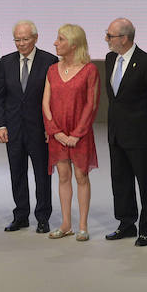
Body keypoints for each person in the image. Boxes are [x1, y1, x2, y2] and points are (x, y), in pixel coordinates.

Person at [0, 20, 57, 233]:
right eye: (17, 40)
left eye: (25, 39)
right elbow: (0, 97)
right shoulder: (6, 62)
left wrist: (51, 128)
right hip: (13, 129)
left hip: (39, 130)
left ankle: (42, 217)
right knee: (17, 173)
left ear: (36, 38)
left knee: (42, 174)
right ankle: (20, 215)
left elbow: (54, 100)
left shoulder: (49, 61)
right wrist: (1, 125)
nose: (21, 44)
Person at [103, 18, 147, 246]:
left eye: (110, 36)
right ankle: (126, 224)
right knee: (120, 180)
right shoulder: (109, 59)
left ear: (124, 38)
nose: (107, 40)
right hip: (116, 132)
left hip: (140, 134)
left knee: (146, 183)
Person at [42, 24, 100, 241]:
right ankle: (66, 224)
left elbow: (91, 105)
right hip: (57, 133)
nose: (56, 43)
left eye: (60, 39)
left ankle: (82, 226)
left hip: (80, 134)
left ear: (74, 44)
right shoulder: (51, 70)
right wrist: (56, 132)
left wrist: (76, 134)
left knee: (81, 176)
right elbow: (45, 104)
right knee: (63, 176)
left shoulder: (90, 70)